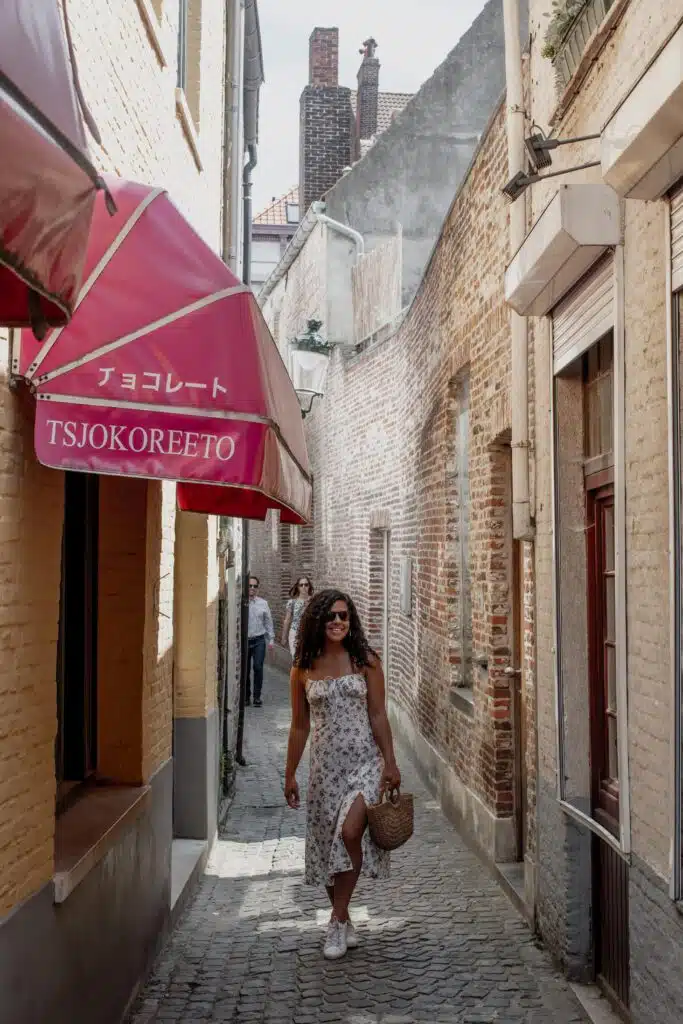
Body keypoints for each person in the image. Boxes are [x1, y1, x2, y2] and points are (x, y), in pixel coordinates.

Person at [284, 588, 401, 960]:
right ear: (318, 621)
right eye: (331, 616)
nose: (338, 622)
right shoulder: (303, 667)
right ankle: (344, 916)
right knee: (326, 846)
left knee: (349, 833)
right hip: (324, 771)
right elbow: (299, 726)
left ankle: (335, 922)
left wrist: (390, 762)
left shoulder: (366, 660)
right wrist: (290, 774)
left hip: (365, 764)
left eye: (344, 616)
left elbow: (378, 714)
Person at [246, 576, 274, 707]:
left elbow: (268, 622)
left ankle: (257, 697)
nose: (252, 588)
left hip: (259, 640)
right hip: (245, 641)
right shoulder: (241, 603)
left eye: (255, 586)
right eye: (250, 585)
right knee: (245, 670)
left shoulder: (263, 603)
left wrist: (271, 639)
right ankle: (246, 697)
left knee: (258, 667)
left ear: (258, 588)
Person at [281, 575, 314, 657]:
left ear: (309, 586)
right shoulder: (292, 602)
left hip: (310, 633)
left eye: (306, 584)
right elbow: (287, 620)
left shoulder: (314, 601)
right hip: (295, 633)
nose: (304, 587)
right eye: (301, 585)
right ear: (298, 587)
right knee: (296, 658)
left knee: (309, 659)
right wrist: (284, 637)